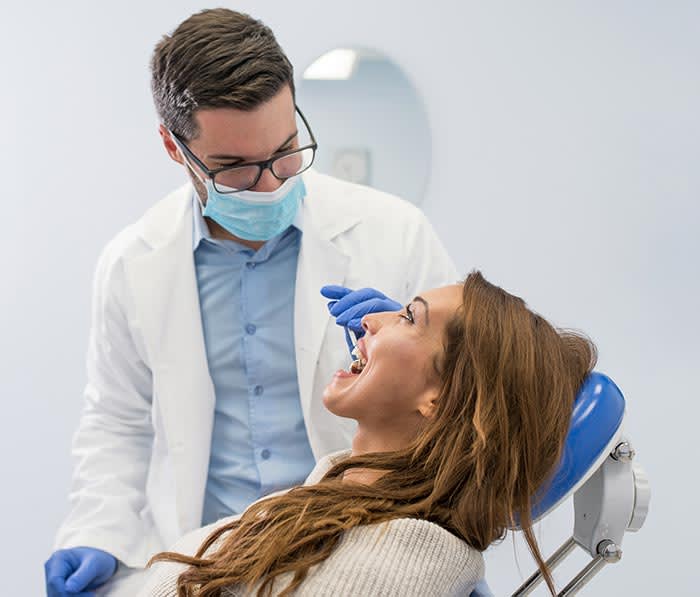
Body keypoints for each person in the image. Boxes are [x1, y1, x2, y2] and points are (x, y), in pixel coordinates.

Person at [43, 8, 459, 597]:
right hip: (209, 559)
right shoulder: (131, 265)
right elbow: (118, 419)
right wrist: (97, 531)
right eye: (235, 170)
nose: (271, 185)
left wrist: (421, 347)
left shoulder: (396, 233)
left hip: (359, 547)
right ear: (173, 147)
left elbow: (467, 403)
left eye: (286, 151)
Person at [138, 271, 597, 596]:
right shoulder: (332, 502)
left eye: (407, 318)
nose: (369, 321)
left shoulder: (390, 564)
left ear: (439, 398)